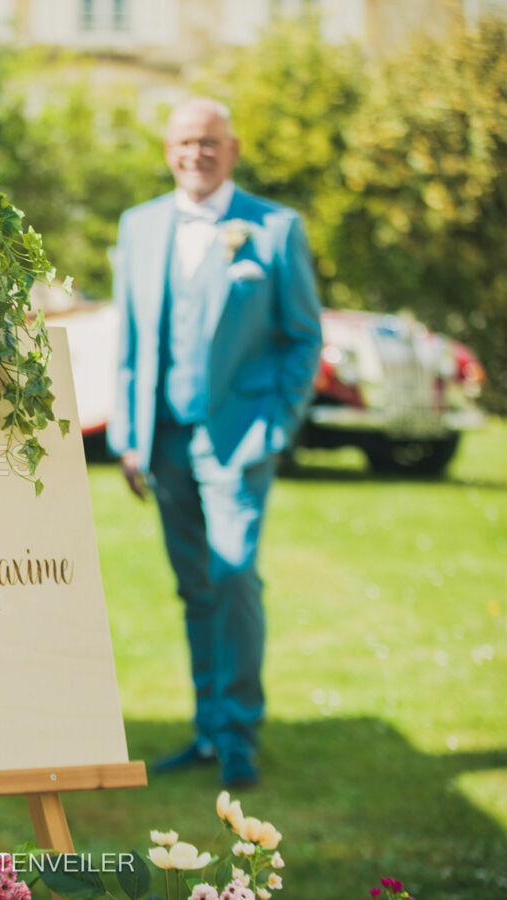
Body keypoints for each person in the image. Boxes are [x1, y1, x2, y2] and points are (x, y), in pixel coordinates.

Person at [107, 97, 322, 788]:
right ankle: (206, 729)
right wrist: (128, 436)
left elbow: (303, 337)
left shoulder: (275, 228)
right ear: (169, 150)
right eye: (183, 143)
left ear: (231, 150)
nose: (194, 154)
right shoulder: (139, 226)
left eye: (209, 143)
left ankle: (239, 734)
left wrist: (277, 424)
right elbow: (132, 339)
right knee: (195, 586)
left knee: (233, 575)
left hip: (239, 436)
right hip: (163, 438)